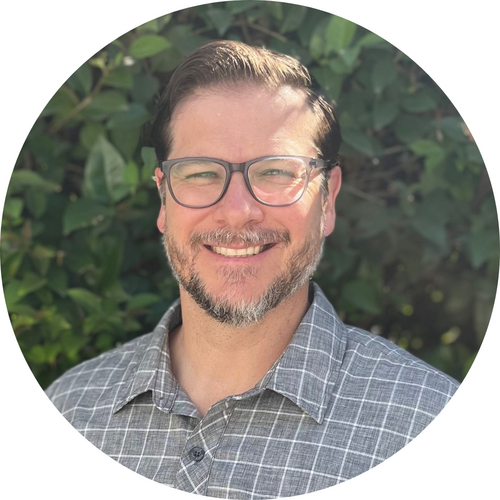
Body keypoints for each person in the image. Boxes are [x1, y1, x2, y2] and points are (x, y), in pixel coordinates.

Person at [46, 40, 459, 498]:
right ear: (163, 198)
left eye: (276, 172)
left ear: (328, 200)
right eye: (201, 173)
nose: (237, 211)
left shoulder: (433, 430)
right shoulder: (68, 411)